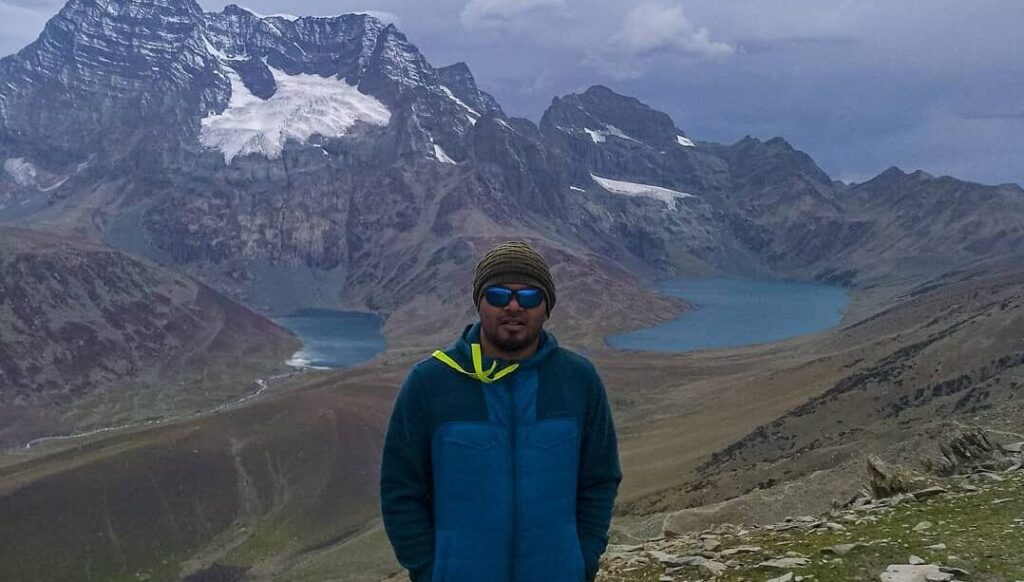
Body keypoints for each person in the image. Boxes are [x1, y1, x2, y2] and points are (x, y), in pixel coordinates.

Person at [380, 240, 622, 582]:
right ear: (479, 303)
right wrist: (429, 570)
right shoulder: (431, 382)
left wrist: (582, 561)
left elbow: (599, 479)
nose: (512, 306)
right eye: (497, 295)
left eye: (529, 297)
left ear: (547, 307)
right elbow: (400, 488)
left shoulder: (578, 380)